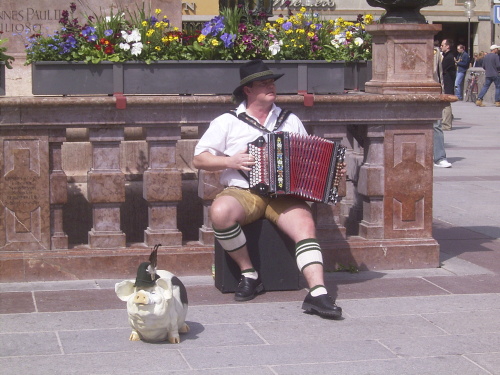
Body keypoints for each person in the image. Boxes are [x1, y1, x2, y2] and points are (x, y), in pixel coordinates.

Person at [193, 60, 343, 319]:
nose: (271, 86)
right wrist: (230, 161)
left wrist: (330, 174)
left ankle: (318, 293)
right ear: (247, 90)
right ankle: (249, 273)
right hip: (243, 191)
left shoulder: (290, 119)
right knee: (220, 211)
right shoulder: (227, 121)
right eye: (263, 83)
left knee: (305, 223)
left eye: (272, 82)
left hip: (283, 196)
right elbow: (199, 158)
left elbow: (308, 159)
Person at [433, 41, 452, 168]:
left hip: (432, 90)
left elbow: (439, 74)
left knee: (437, 125)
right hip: (409, 91)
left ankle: (439, 157)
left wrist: (442, 93)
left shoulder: (435, 53)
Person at [440, 39, 456, 131]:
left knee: (446, 103)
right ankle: (447, 120)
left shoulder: (449, 57)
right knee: (445, 103)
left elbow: (442, 68)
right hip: (446, 82)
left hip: (447, 83)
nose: (441, 47)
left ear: (447, 46)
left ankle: (447, 124)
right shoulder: (446, 56)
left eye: (442, 45)